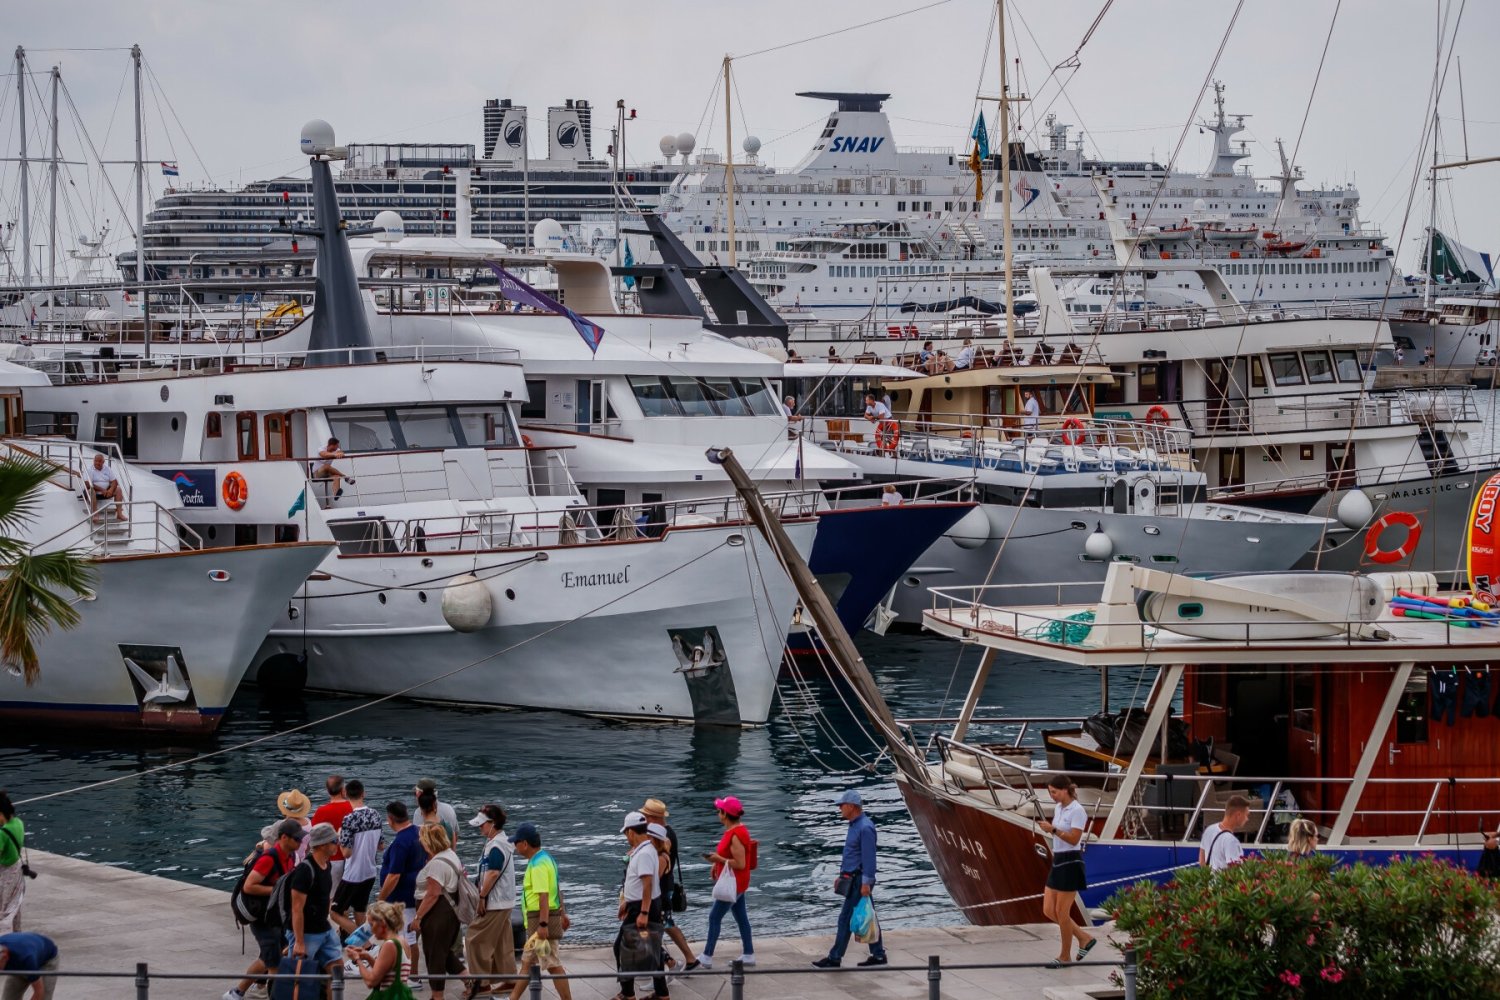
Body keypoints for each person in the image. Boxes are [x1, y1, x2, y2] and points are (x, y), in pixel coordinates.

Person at [225, 819, 304, 1000]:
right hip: (262, 916)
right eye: (297, 839)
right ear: (283, 838)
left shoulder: (290, 856)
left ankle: (237, 992)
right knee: (273, 959)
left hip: (276, 914)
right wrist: (279, 890)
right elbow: (249, 886)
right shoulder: (268, 859)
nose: (301, 843)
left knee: (271, 955)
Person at [812, 790, 886, 968]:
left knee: (845, 919)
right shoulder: (855, 825)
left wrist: (866, 883)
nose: (839, 808)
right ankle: (878, 955)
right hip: (852, 879)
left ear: (852, 806)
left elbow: (869, 858)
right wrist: (841, 876)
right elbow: (852, 855)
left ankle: (835, 957)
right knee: (868, 915)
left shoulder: (865, 827)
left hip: (859, 881)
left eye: (841, 805)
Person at [507, 823, 572, 1000]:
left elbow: (544, 895)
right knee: (527, 964)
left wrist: (543, 925)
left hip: (541, 924)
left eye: (516, 842)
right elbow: (557, 889)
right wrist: (563, 913)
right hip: (540, 923)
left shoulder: (537, 865)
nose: (515, 846)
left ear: (525, 844)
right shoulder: (546, 858)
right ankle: (512, 998)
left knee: (552, 965)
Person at [1037, 775, 1095, 967]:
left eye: (1054, 792)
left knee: (1062, 912)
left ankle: (1064, 956)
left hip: (1071, 861)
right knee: (1048, 910)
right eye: (1050, 792)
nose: (1052, 795)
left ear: (1064, 790)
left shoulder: (1077, 810)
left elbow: (1073, 839)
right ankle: (1083, 937)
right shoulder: (1059, 808)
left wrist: (1052, 830)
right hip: (1058, 859)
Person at [639, 799, 698, 975]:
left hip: (662, 887)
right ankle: (690, 958)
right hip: (667, 885)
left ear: (652, 817)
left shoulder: (662, 836)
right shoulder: (668, 831)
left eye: (645, 816)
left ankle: (672, 963)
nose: (644, 819)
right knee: (667, 923)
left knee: (656, 928)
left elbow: (659, 865)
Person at [614, 812, 667, 1000]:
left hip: (642, 907)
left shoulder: (644, 853)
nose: (626, 838)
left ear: (630, 831)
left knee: (622, 948)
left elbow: (647, 884)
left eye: (625, 833)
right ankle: (662, 993)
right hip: (639, 905)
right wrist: (627, 901)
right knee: (652, 948)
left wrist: (642, 912)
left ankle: (628, 993)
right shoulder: (647, 849)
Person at [467, 804, 516, 998]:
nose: (480, 828)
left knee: (474, 938)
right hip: (505, 901)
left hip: (495, 902)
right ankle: (510, 979)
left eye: (482, 825)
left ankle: (482, 983)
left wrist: (482, 897)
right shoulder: (501, 842)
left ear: (492, 823)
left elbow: (493, 872)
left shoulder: (496, 845)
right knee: (503, 941)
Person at [412, 823, 465, 999]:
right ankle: (471, 981)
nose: (420, 842)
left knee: (434, 955)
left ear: (428, 842)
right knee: (443, 952)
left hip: (437, 915)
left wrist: (418, 917)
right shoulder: (451, 855)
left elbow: (433, 894)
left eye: (422, 839)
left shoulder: (436, 864)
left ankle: (437, 996)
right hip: (450, 913)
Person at [699, 796, 753, 969]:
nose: (718, 812)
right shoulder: (734, 830)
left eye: (719, 810)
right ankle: (748, 954)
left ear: (725, 814)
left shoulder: (736, 835)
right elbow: (731, 858)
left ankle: (706, 956)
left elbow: (740, 863)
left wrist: (718, 859)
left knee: (714, 917)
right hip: (739, 882)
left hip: (733, 884)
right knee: (741, 917)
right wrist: (717, 862)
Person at [377, 801, 426, 982]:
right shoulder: (418, 832)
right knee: (409, 937)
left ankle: (411, 978)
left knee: (407, 939)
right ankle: (409, 974)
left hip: (401, 899)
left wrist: (381, 898)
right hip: (414, 894)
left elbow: (394, 876)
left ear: (390, 819)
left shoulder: (400, 842)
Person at [288, 823, 343, 977]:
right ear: (322, 845)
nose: (338, 844)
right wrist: (299, 941)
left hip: (323, 929)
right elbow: (296, 908)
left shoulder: (328, 865)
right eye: (334, 841)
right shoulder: (305, 870)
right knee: (298, 977)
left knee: (337, 969)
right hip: (307, 932)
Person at [336, 780, 383, 930]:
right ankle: (364, 945)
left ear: (345, 794)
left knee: (334, 912)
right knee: (360, 910)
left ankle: (361, 939)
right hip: (370, 872)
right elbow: (381, 846)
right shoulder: (376, 815)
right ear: (363, 794)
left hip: (353, 874)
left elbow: (347, 853)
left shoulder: (349, 819)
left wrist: (339, 836)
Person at [344, 901, 413, 1000]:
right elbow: (386, 971)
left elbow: (371, 981)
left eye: (372, 925)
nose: (371, 931)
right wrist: (367, 957)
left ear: (382, 923)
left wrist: (357, 960)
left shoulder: (390, 945)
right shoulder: (402, 941)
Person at [312, 775, 354, 898]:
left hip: (331, 860)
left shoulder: (321, 811)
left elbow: (313, 836)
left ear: (328, 791)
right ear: (343, 790)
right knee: (346, 900)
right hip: (350, 858)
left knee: (330, 898)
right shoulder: (351, 808)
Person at [1199, 794, 1251, 870]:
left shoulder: (1209, 830)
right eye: (1246, 815)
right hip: (1222, 882)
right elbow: (1234, 871)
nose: (1247, 819)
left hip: (1209, 881)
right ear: (1238, 815)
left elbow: (1201, 861)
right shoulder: (1231, 841)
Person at [0, 932, 57, 1000]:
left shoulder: (27, 958)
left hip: (46, 961)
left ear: (5, 957)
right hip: (21, 957)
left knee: (44, 997)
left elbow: (39, 991)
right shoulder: (4, 956)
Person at [0, 792, 25, 933]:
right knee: (14, 908)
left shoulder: (3, 833)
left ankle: (4, 943)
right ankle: (17, 937)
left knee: (3, 910)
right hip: (17, 871)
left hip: (5, 874)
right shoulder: (19, 823)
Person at [415, 778, 460, 844]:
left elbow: (418, 841)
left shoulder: (418, 813)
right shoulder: (449, 809)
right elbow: (455, 836)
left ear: (419, 794)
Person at [86, 453, 126, 521]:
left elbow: (114, 481)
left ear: (103, 462)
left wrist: (111, 489)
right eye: (95, 461)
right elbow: (88, 484)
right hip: (95, 491)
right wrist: (102, 490)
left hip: (106, 492)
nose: (97, 463)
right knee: (91, 490)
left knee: (118, 489)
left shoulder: (107, 469)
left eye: (99, 461)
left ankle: (119, 514)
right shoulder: (89, 469)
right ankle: (95, 514)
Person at [277, 789, 313, 862]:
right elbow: (308, 847)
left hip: (285, 861)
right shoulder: (309, 823)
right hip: (301, 861)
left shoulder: (282, 825)